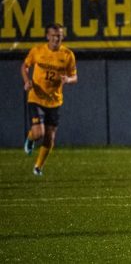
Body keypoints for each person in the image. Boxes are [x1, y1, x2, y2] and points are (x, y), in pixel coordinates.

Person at [21, 23, 78, 176]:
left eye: (59, 36)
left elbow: (75, 77)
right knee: (39, 133)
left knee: (50, 137)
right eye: (53, 35)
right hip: (37, 97)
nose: (56, 38)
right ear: (47, 36)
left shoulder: (67, 55)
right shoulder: (37, 51)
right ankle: (31, 138)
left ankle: (38, 167)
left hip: (54, 101)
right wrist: (27, 80)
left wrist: (68, 80)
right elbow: (25, 66)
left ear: (62, 37)